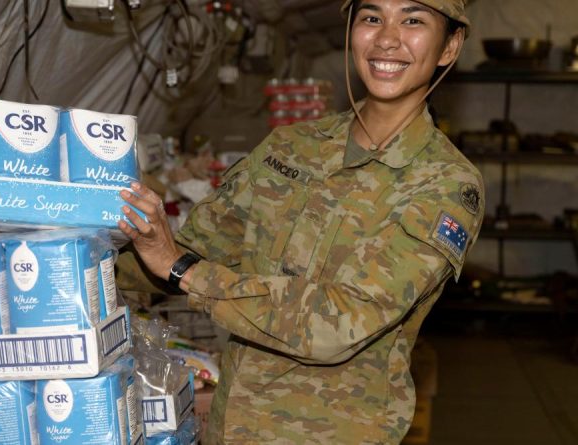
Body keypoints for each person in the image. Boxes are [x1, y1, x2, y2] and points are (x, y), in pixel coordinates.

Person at [116, 0, 484, 443]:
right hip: (231, 428)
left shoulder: (446, 184)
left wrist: (184, 271)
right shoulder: (291, 147)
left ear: (450, 46)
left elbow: (341, 323)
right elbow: (195, 244)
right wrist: (81, 265)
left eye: (412, 20)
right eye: (371, 18)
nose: (387, 38)